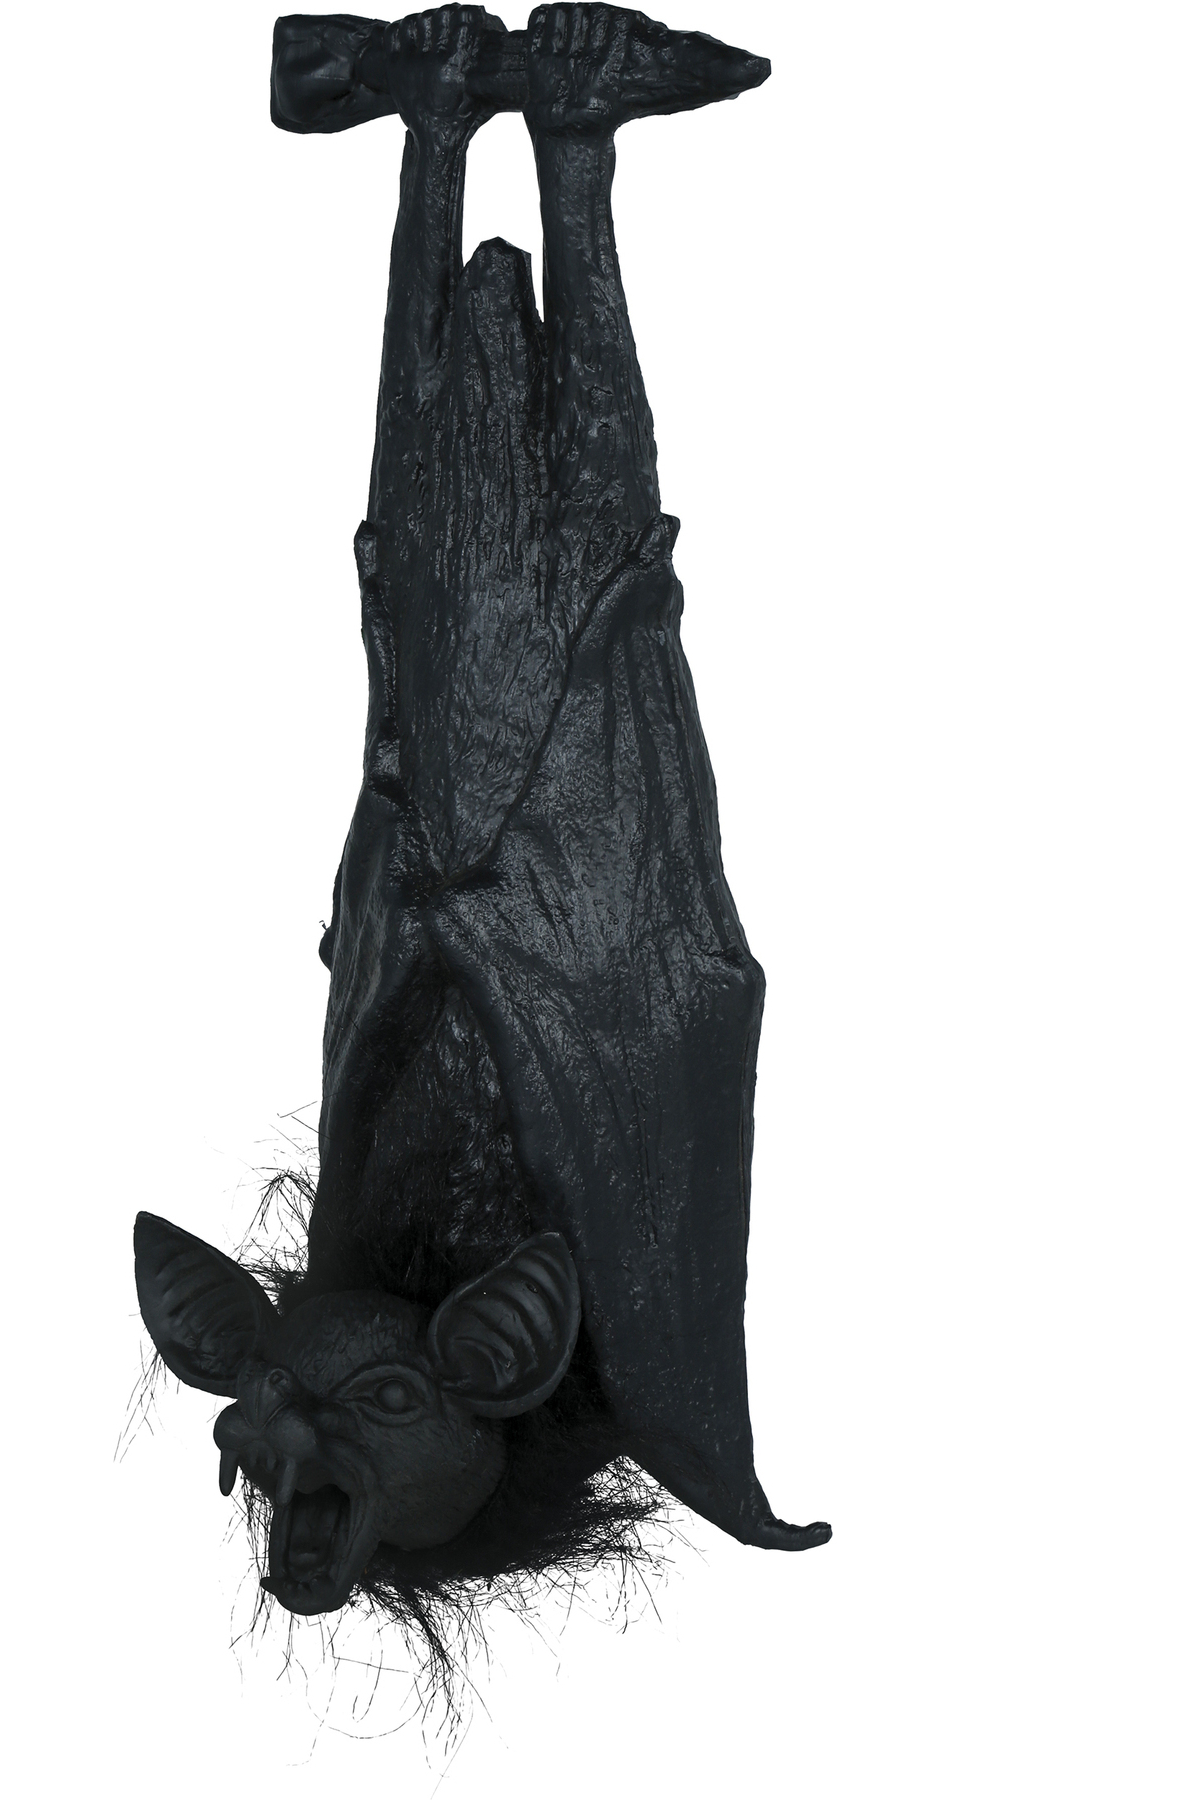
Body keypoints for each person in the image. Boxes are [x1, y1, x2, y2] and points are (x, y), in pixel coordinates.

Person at [300, 4, 830, 1556]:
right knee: (602, 544)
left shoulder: (361, 1240)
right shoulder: (607, 1303)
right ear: (502, 1369)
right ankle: (569, 143)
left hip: (430, 817)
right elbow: (664, 1009)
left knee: (412, 539)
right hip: (576, 873)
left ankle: (444, 122)